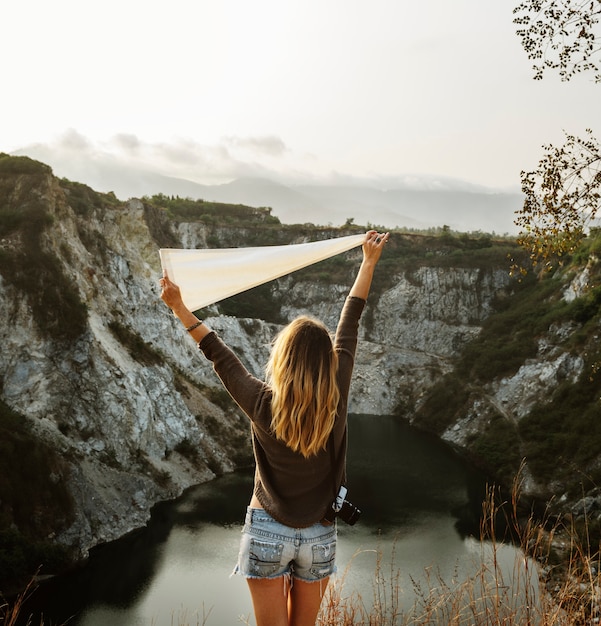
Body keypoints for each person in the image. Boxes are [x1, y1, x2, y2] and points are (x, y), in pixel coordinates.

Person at [159, 230, 389, 626]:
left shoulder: (261, 402)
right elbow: (350, 320)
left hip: (266, 529)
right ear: (326, 365)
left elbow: (218, 353)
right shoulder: (336, 393)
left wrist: (179, 306)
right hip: (318, 532)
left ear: (283, 360)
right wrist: (368, 262)